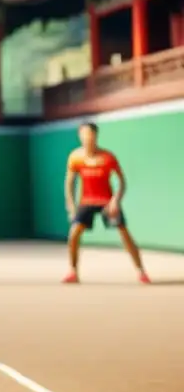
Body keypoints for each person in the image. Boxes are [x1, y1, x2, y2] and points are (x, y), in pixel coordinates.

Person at [62, 122, 150, 284]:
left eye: (90, 134)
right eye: (83, 135)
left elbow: (122, 182)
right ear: (80, 136)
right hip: (86, 202)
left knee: (124, 233)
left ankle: (141, 271)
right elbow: (69, 183)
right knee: (74, 234)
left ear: (95, 136)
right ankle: (73, 272)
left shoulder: (108, 157)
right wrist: (71, 206)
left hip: (107, 202)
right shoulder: (75, 157)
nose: (87, 138)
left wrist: (115, 201)